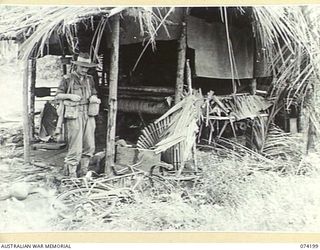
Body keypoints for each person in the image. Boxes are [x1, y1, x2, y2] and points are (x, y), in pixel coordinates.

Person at [55, 52, 101, 178]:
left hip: (88, 113)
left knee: (89, 144)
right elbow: (58, 96)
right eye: (82, 67)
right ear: (76, 66)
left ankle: (84, 171)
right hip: (74, 114)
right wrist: (69, 96)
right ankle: (72, 174)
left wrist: (93, 98)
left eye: (86, 67)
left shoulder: (89, 79)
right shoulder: (67, 79)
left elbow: (94, 93)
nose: (84, 70)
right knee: (75, 145)